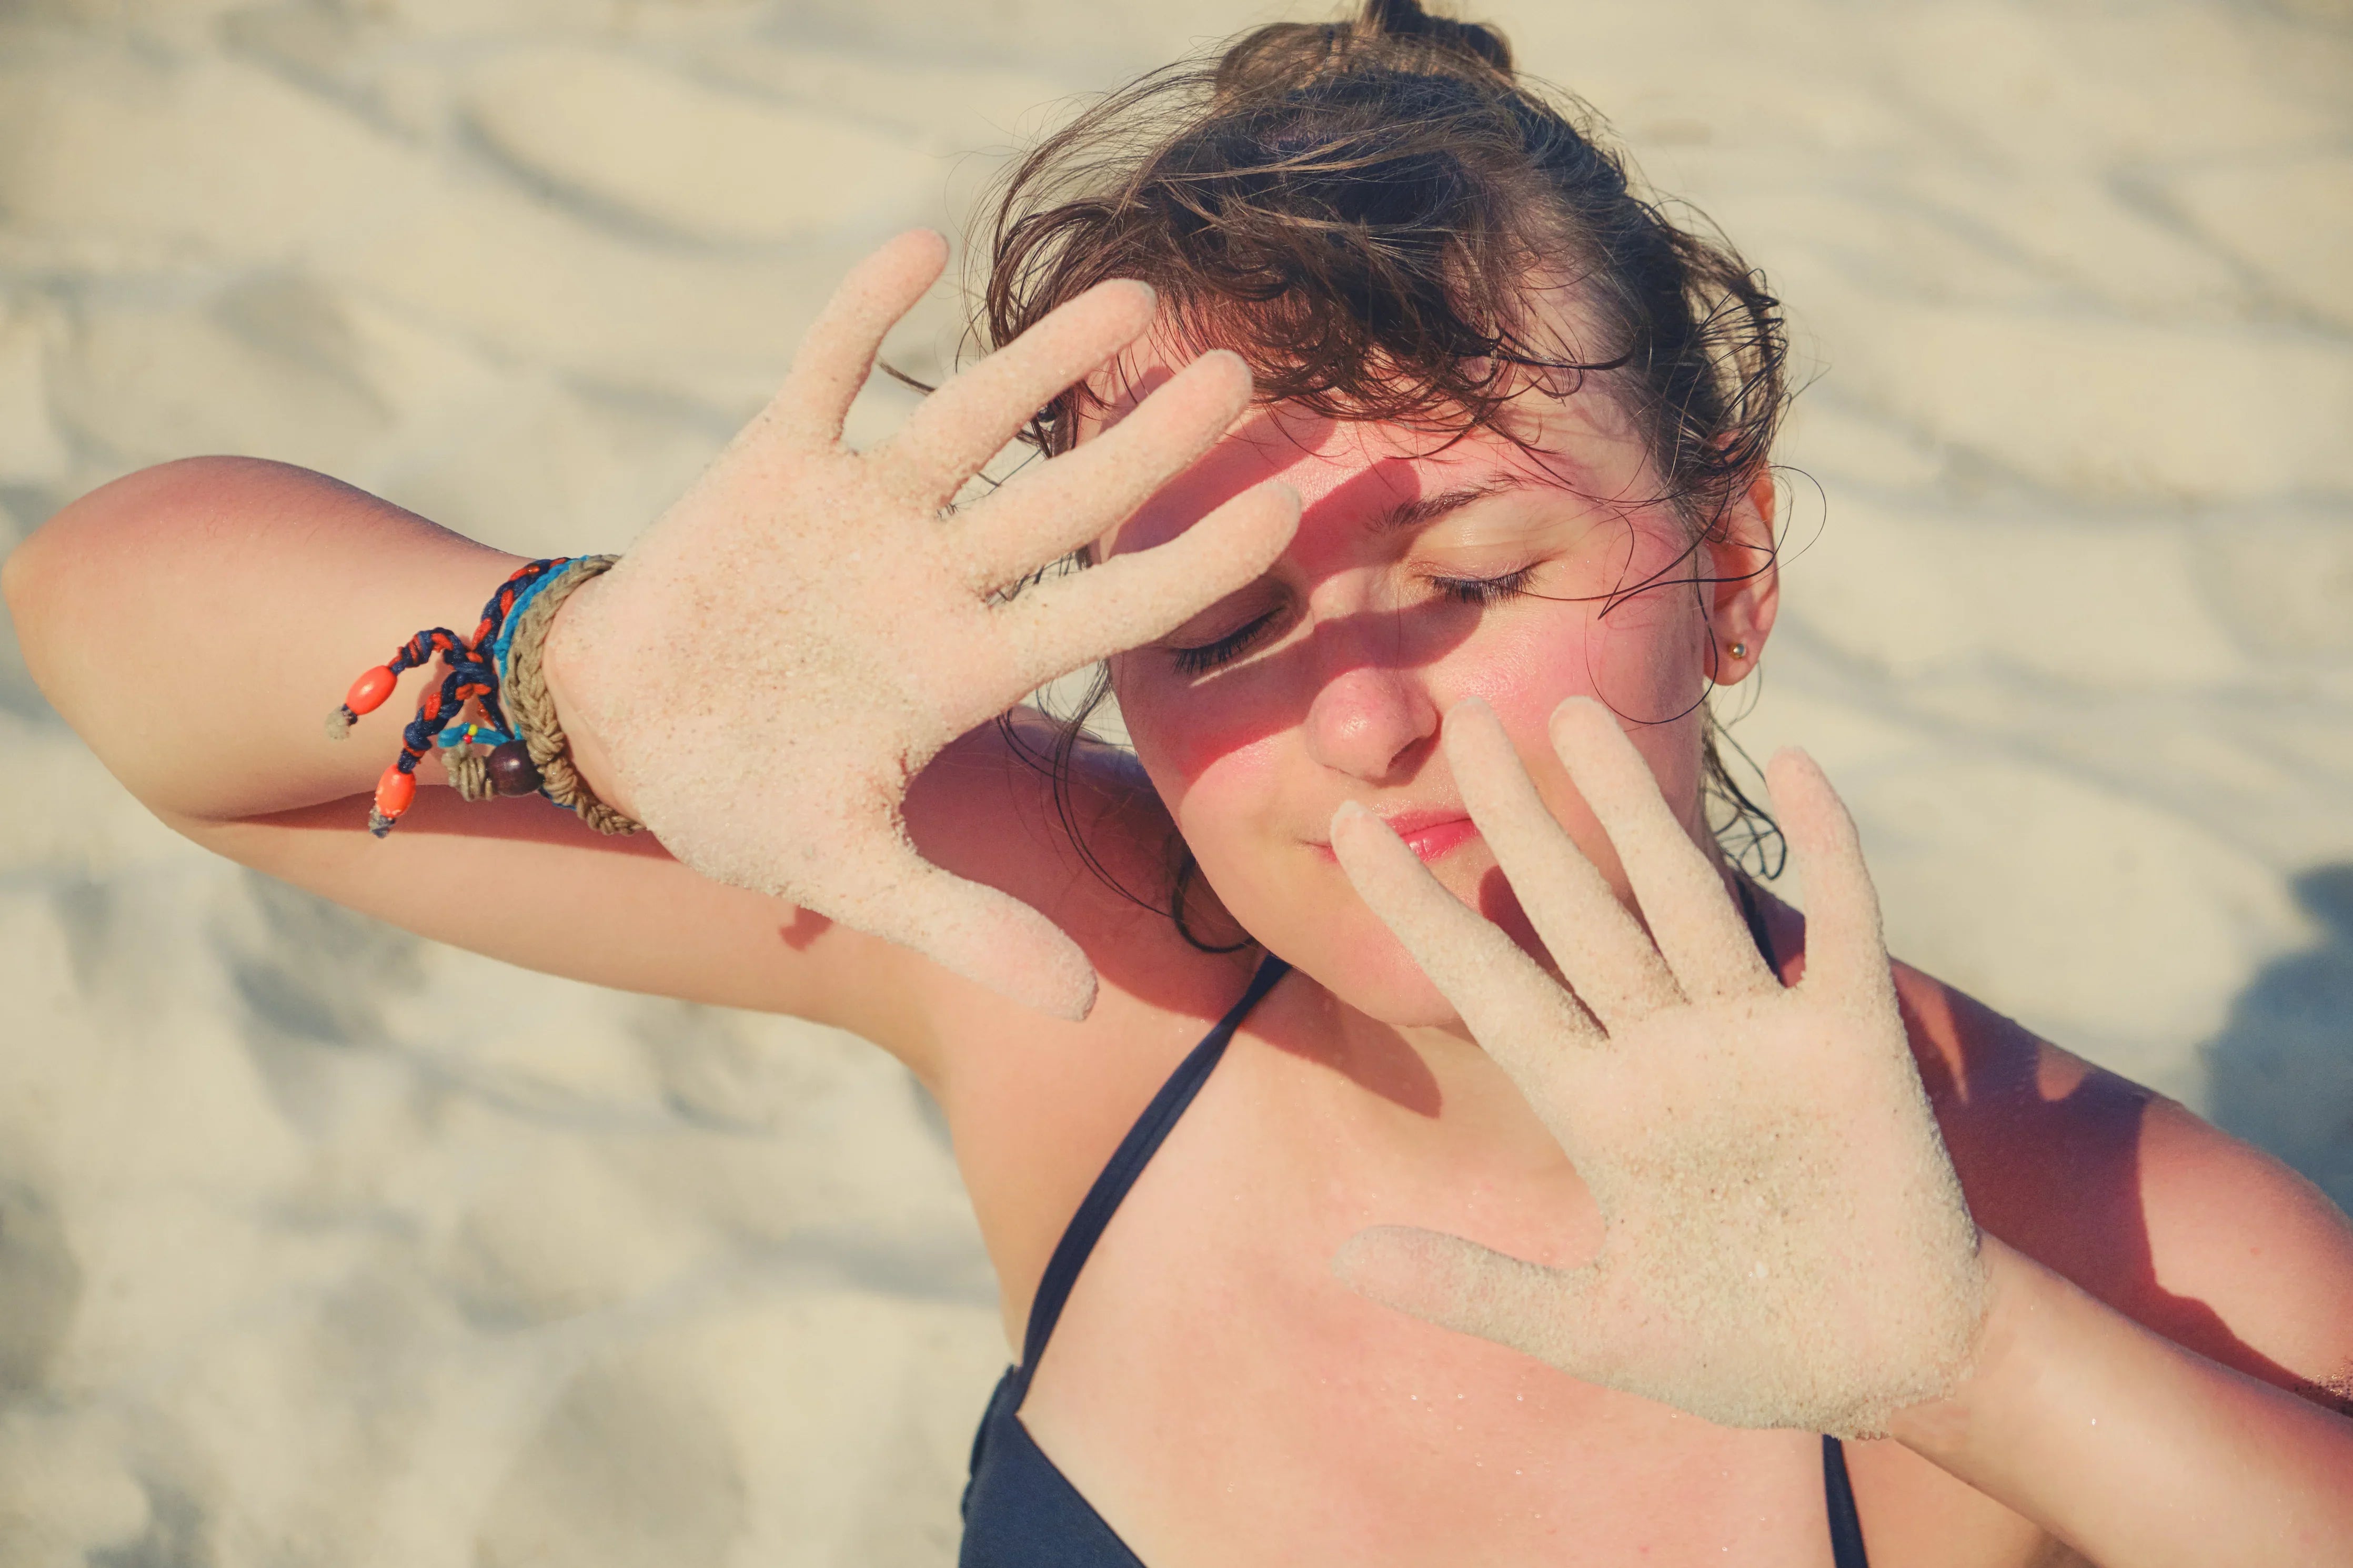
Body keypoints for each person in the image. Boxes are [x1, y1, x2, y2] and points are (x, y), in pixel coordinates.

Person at [8, 2, 2351, 1563]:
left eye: (1466, 566)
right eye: (1215, 623)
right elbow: (122, 641)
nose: (1350, 720)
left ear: (1723, 568)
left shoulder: (2120, 1242)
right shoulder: (1097, 967)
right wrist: (583, 677)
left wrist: (1975, 1365)